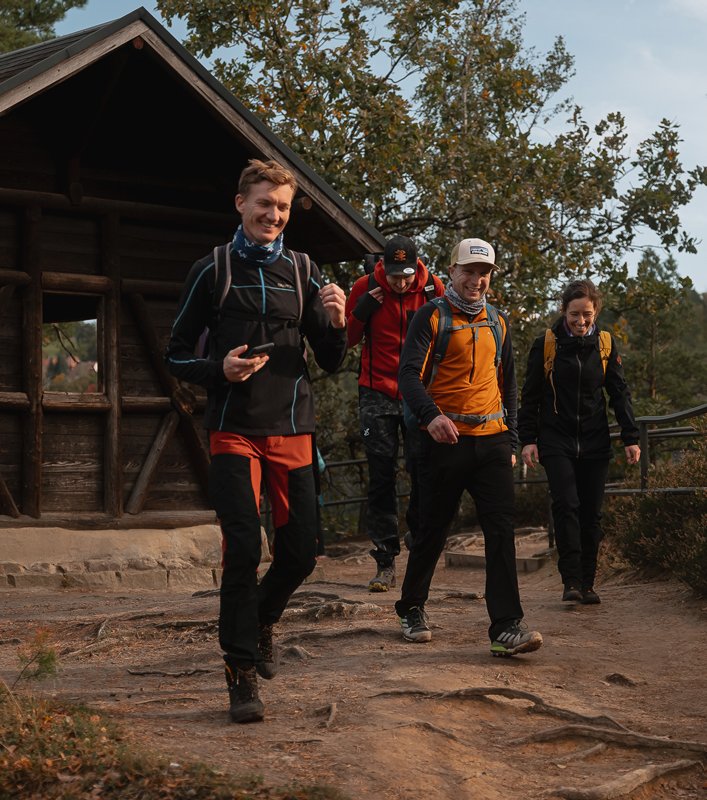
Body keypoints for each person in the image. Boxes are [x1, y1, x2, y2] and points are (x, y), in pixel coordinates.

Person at [165, 159, 348, 724]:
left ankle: (263, 618)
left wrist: (338, 322)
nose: (273, 214)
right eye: (264, 203)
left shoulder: (304, 270)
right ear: (240, 205)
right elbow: (174, 356)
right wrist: (218, 368)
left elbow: (332, 361)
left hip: (293, 428)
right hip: (234, 431)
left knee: (301, 554)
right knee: (242, 550)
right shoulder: (211, 269)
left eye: (283, 207)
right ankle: (240, 675)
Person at [394, 237, 544, 657]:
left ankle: (507, 626)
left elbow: (509, 383)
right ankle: (410, 608)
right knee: (433, 529)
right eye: (469, 272)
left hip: (493, 440)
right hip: (444, 440)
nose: (476, 280)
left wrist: (511, 439)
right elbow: (407, 376)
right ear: (453, 272)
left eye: (484, 273)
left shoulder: (498, 321)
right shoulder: (431, 317)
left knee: (500, 530)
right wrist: (431, 416)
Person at [519, 279, 641, 605]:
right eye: (574, 314)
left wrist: (631, 436)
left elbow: (619, 392)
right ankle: (571, 580)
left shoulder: (604, 344)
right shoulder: (545, 344)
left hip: (595, 440)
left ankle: (588, 583)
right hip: (555, 439)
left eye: (587, 314)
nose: (581, 320)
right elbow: (530, 396)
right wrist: (528, 439)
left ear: (596, 311)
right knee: (566, 506)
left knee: (592, 514)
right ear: (563, 311)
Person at [344, 235, 445, 592]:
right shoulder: (364, 285)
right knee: (381, 474)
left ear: (416, 266)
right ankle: (385, 561)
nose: (399, 282)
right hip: (376, 391)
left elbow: (446, 340)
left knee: (422, 469)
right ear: (382, 266)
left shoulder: (434, 288)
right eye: (393, 275)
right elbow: (350, 338)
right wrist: (362, 310)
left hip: (418, 392)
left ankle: (419, 551)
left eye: (405, 275)